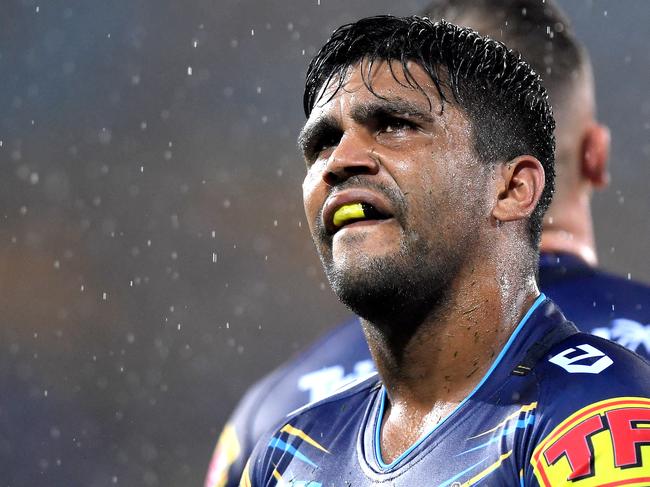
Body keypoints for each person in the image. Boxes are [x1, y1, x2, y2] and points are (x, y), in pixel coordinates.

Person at [205, 2, 650, 486]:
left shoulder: (594, 414)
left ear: (512, 188)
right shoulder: (286, 452)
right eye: (323, 142)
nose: (339, 161)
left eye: (396, 125)